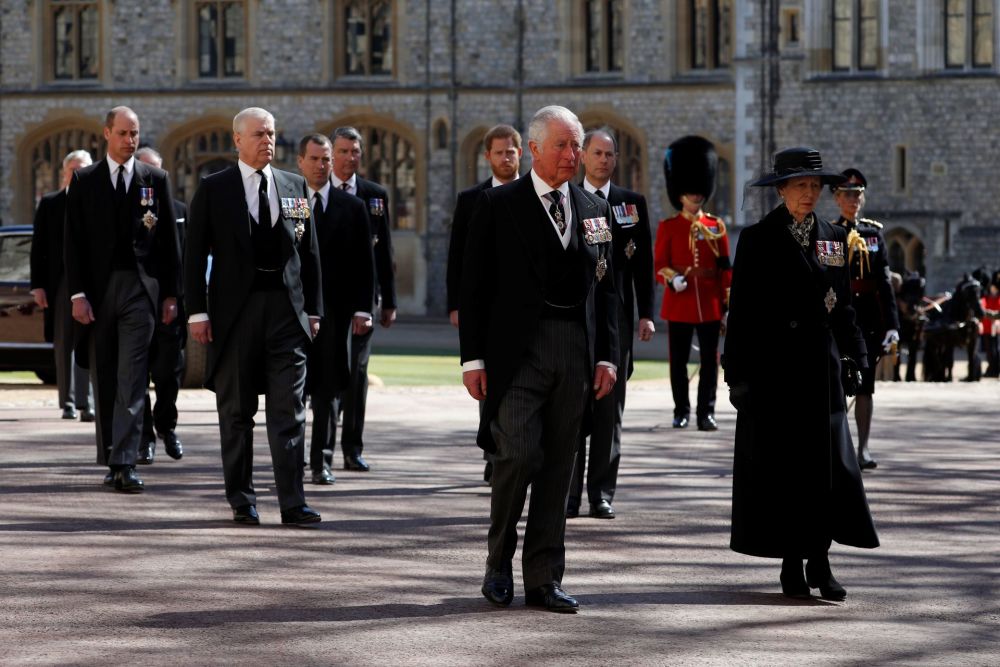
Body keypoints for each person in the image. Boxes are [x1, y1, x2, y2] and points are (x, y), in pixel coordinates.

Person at [460, 105, 619, 613]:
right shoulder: (498, 204)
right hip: (517, 353)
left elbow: (607, 289)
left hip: (575, 351)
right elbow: (475, 287)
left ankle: (545, 578)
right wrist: (472, 360)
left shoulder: (594, 210)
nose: (574, 156)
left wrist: (608, 357)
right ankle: (498, 563)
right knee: (519, 454)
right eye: (563, 146)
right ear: (533, 150)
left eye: (577, 146)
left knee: (558, 467)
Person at [724, 146, 879, 601]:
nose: (809, 194)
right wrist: (738, 376)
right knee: (784, 473)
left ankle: (821, 560)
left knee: (827, 472)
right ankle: (792, 563)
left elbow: (843, 304)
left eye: (814, 186)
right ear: (782, 190)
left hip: (821, 371)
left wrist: (857, 356)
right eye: (800, 186)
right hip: (776, 375)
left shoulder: (832, 236)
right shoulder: (757, 238)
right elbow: (743, 313)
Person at [185, 107, 323, 526]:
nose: (268, 141)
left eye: (272, 134)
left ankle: (292, 502)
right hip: (235, 315)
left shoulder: (293, 184)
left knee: (290, 410)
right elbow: (193, 257)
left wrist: (313, 310)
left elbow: (310, 253)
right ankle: (242, 500)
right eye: (259, 134)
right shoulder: (214, 188)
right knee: (237, 412)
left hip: (286, 312)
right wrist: (196, 312)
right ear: (237, 140)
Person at [64, 106, 181, 493]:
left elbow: (168, 244)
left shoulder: (155, 178)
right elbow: (74, 244)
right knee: (107, 376)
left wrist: (170, 294)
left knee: (133, 377)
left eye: (135, 133)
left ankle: (126, 461)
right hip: (98, 293)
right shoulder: (84, 180)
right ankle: (110, 455)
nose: (130, 140)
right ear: (106, 134)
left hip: (139, 290)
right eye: (123, 133)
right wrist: (78, 295)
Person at [568, 127, 655, 520]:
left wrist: (646, 314)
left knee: (608, 410)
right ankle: (568, 494)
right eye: (598, 153)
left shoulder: (630, 204)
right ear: (583, 156)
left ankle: (601, 492)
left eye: (610, 154)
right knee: (570, 410)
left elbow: (644, 266)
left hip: (616, 322)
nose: (604, 160)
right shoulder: (567, 199)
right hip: (575, 317)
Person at [446, 123, 523, 484]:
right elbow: (458, 257)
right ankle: (494, 453)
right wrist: (456, 304)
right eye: (499, 152)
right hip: (487, 311)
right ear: (487, 157)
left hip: (526, 309)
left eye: (511, 151)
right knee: (489, 386)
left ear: (520, 153)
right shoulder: (471, 200)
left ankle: (516, 453)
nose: (505, 157)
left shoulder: (535, 196)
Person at [297, 133, 376, 485]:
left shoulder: (352, 207)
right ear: (301, 162)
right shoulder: (291, 202)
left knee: (328, 390)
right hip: (296, 312)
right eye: (314, 159)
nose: (321, 166)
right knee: (295, 389)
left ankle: (322, 460)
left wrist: (363, 308)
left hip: (336, 313)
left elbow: (365, 263)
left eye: (326, 160)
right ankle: (292, 456)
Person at [330, 126, 397, 472]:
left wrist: (389, 301)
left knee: (358, 375)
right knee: (328, 374)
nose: (350, 158)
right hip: (326, 300)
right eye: (343, 151)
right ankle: (321, 452)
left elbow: (384, 250)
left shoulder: (374, 195)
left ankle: (351, 448)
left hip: (362, 300)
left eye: (355, 151)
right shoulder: (317, 191)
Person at [654, 136, 731, 431]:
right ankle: (681, 410)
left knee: (711, 363)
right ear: (679, 193)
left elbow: (725, 268)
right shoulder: (669, 227)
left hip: (710, 303)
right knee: (678, 362)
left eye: (699, 191)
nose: (695, 196)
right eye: (689, 191)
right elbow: (659, 265)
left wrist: (726, 305)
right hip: (680, 302)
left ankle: (706, 413)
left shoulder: (717, 226)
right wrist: (674, 280)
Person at [831, 169, 899, 470]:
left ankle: (863, 448)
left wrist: (893, 325)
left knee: (866, 386)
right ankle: (836, 447)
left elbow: (884, 283)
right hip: (839, 318)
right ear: (836, 198)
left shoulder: (873, 234)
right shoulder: (830, 233)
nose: (853, 200)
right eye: (847, 194)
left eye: (857, 194)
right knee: (835, 384)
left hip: (868, 320)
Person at [30, 149, 95, 422]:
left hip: (93, 282)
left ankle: (87, 402)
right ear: (65, 173)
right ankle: (68, 402)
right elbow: (39, 248)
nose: (78, 174)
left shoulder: (100, 201)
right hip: (62, 284)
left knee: (90, 343)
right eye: (74, 170)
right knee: (64, 343)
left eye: (84, 169)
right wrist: (38, 285)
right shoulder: (51, 203)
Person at [134, 146, 186, 464]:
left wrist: (179, 298)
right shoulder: (126, 210)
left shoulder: (179, 209)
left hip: (169, 304)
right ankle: (145, 436)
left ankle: (167, 425)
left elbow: (186, 257)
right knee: (137, 373)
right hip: (138, 302)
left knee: (168, 373)